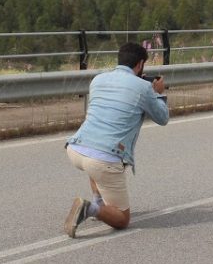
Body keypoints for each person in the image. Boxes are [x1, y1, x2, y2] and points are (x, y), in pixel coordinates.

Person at [64, 42, 170, 238]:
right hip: (104, 159)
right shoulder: (144, 88)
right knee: (122, 219)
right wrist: (160, 93)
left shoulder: (98, 80)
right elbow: (162, 118)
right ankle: (89, 209)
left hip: (76, 149)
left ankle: (99, 202)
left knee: (96, 158)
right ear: (139, 65)